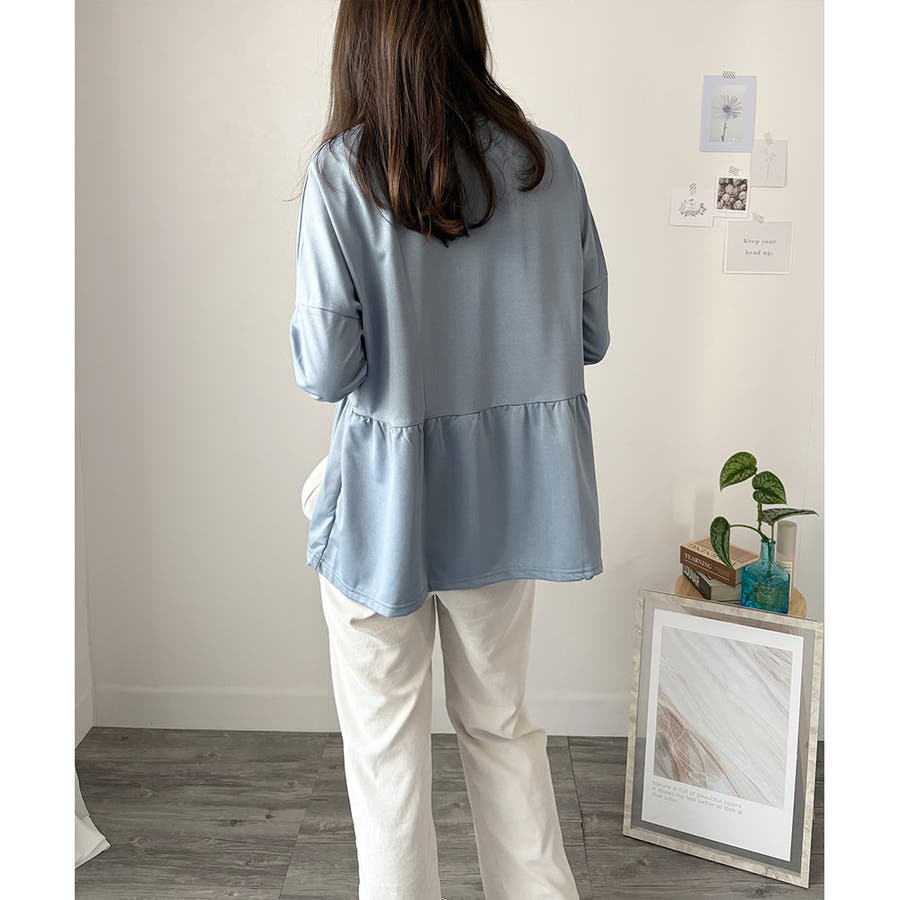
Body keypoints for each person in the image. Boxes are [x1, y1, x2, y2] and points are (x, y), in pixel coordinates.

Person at [290, 1, 610, 897]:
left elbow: (325, 368)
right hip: (506, 504)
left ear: (364, 42)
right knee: (502, 728)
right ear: (468, 30)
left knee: (387, 757)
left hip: (384, 509)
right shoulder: (549, 163)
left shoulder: (343, 173)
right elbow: (589, 334)